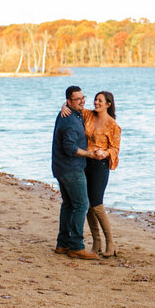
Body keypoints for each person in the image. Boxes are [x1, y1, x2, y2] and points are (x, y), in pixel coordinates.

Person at [61, 90, 122, 257]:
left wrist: (106, 153)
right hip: (85, 162)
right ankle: (96, 241)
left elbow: (115, 149)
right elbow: (73, 106)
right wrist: (63, 106)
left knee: (97, 204)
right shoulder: (88, 115)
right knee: (86, 204)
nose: (96, 103)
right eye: (95, 100)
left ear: (108, 104)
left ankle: (110, 241)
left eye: (100, 101)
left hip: (100, 165)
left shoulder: (113, 126)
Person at [51, 85, 107, 260]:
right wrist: (90, 154)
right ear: (70, 101)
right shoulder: (69, 120)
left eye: (84, 98)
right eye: (78, 99)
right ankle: (75, 246)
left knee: (68, 204)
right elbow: (70, 148)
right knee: (82, 205)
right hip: (70, 168)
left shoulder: (73, 112)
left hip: (61, 167)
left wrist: (65, 106)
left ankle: (63, 244)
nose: (83, 101)